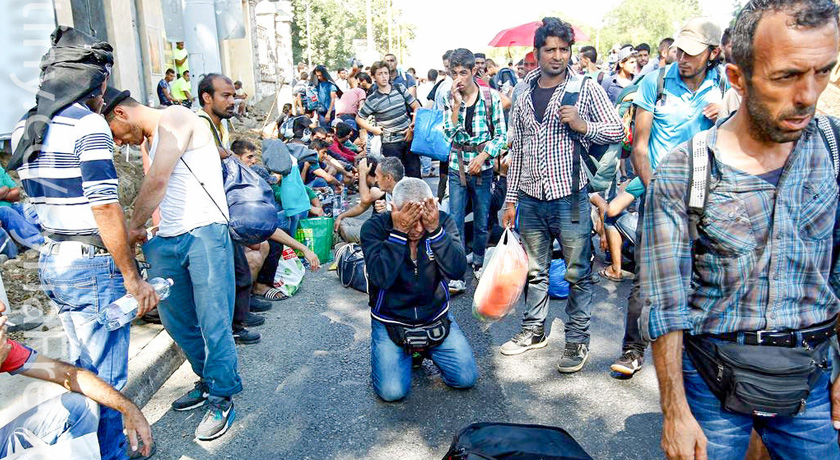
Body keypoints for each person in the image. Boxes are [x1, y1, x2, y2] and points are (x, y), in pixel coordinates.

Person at [644, 1, 840, 458]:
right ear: (737, 78)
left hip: (810, 376)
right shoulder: (685, 169)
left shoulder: (833, 151)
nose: (809, 95)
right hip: (712, 381)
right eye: (787, 76)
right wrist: (675, 412)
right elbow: (663, 303)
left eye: (823, 72)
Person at [9, 27, 159, 460]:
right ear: (98, 83)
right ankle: (110, 454)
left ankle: (86, 449)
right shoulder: (88, 123)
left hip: (55, 263)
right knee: (106, 379)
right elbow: (104, 208)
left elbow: (35, 203)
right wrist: (132, 278)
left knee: (83, 371)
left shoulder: (29, 122)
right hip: (92, 269)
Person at [104, 90, 240, 441]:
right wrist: (150, 230)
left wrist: (132, 227)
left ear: (121, 113)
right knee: (176, 322)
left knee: (214, 322)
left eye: (115, 133)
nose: (119, 143)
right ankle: (207, 380)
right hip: (166, 238)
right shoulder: (151, 140)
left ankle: (222, 396)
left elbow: (159, 179)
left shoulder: (177, 118)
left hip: (204, 233)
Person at [501, 18, 623, 373]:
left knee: (577, 273)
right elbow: (518, 147)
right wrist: (511, 200)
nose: (557, 56)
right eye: (550, 49)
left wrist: (585, 125)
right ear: (537, 53)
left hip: (570, 197)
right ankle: (533, 330)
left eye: (563, 49)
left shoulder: (584, 87)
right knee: (536, 271)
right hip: (531, 197)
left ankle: (576, 341)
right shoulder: (523, 88)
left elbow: (617, 129)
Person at [612, 16, 724, 378]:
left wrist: (727, 110)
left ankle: (695, 357)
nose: (684, 59)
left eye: (693, 53)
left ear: (713, 53)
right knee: (646, 279)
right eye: (680, 51)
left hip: (707, 197)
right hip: (659, 192)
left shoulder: (723, 84)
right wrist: (654, 189)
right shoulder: (655, 81)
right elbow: (640, 148)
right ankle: (632, 350)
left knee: (703, 279)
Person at [360, 178, 477, 401]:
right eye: (410, 219)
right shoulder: (374, 228)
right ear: (394, 208)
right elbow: (381, 278)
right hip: (391, 319)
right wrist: (398, 233)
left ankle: (423, 350)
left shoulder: (440, 222)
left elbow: (457, 271)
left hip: (434, 315)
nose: (418, 228)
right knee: (392, 393)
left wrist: (436, 232)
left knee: (465, 378)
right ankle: (405, 353)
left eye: (423, 219)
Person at [0, 301, 154, 458]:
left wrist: (128, 408)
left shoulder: (5, 349)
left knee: (80, 406)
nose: (2, 307)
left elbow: (69, 375)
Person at [197, 74, 269, 345]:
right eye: (225, 96)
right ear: (207, 97)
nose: (232, 101)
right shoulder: (200, 123)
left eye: (232, 95)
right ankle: (235, 325)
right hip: (207, 213)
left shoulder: (220, 125)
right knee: (234, 271)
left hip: (223, 209)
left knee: (239, 268)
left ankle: (242, 314)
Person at [442, 48, 507, 294]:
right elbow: (448, 133)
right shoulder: (451, 98)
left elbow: (502, 135)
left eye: (463, 73)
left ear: (473, 71)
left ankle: (479, 261)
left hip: (484, 167)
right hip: (458, 167)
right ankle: (457, 272)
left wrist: (484, 155)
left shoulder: (490, 97)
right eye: (454, 73)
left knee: (481, 220)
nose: (459, 78)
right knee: (455, 220)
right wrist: (457, 106)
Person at [357, 61, 421, 178]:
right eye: (380, 74)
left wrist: (412, 126)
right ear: (374, 77)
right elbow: (359, 118)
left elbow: (416, 107)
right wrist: (373, 129)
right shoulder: (372, 99)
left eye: (386, 73)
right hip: (390, 143)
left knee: (415, 177)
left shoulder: (400, 88)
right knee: (396, 178)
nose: (384, 76)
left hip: (408, 139)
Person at [335, 157, 404, 243]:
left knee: (346, 230)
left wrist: (363, 174)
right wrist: (341, 216)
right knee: (343, 222)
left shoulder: (387, 188)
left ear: (388, 178)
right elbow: (361, 206)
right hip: (378, 225)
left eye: (377, 176)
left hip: (384, 233)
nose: (376, 179)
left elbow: (364, 199)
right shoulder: (388, 188)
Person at [0, 168, 43, 258]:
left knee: (37, 209)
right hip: (4, 212)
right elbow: (8, 188)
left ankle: (65, 236)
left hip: (14, 207)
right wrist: (5, 189)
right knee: (6, 212)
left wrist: (4, 192)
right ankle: (40, 244)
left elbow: (16, 194)